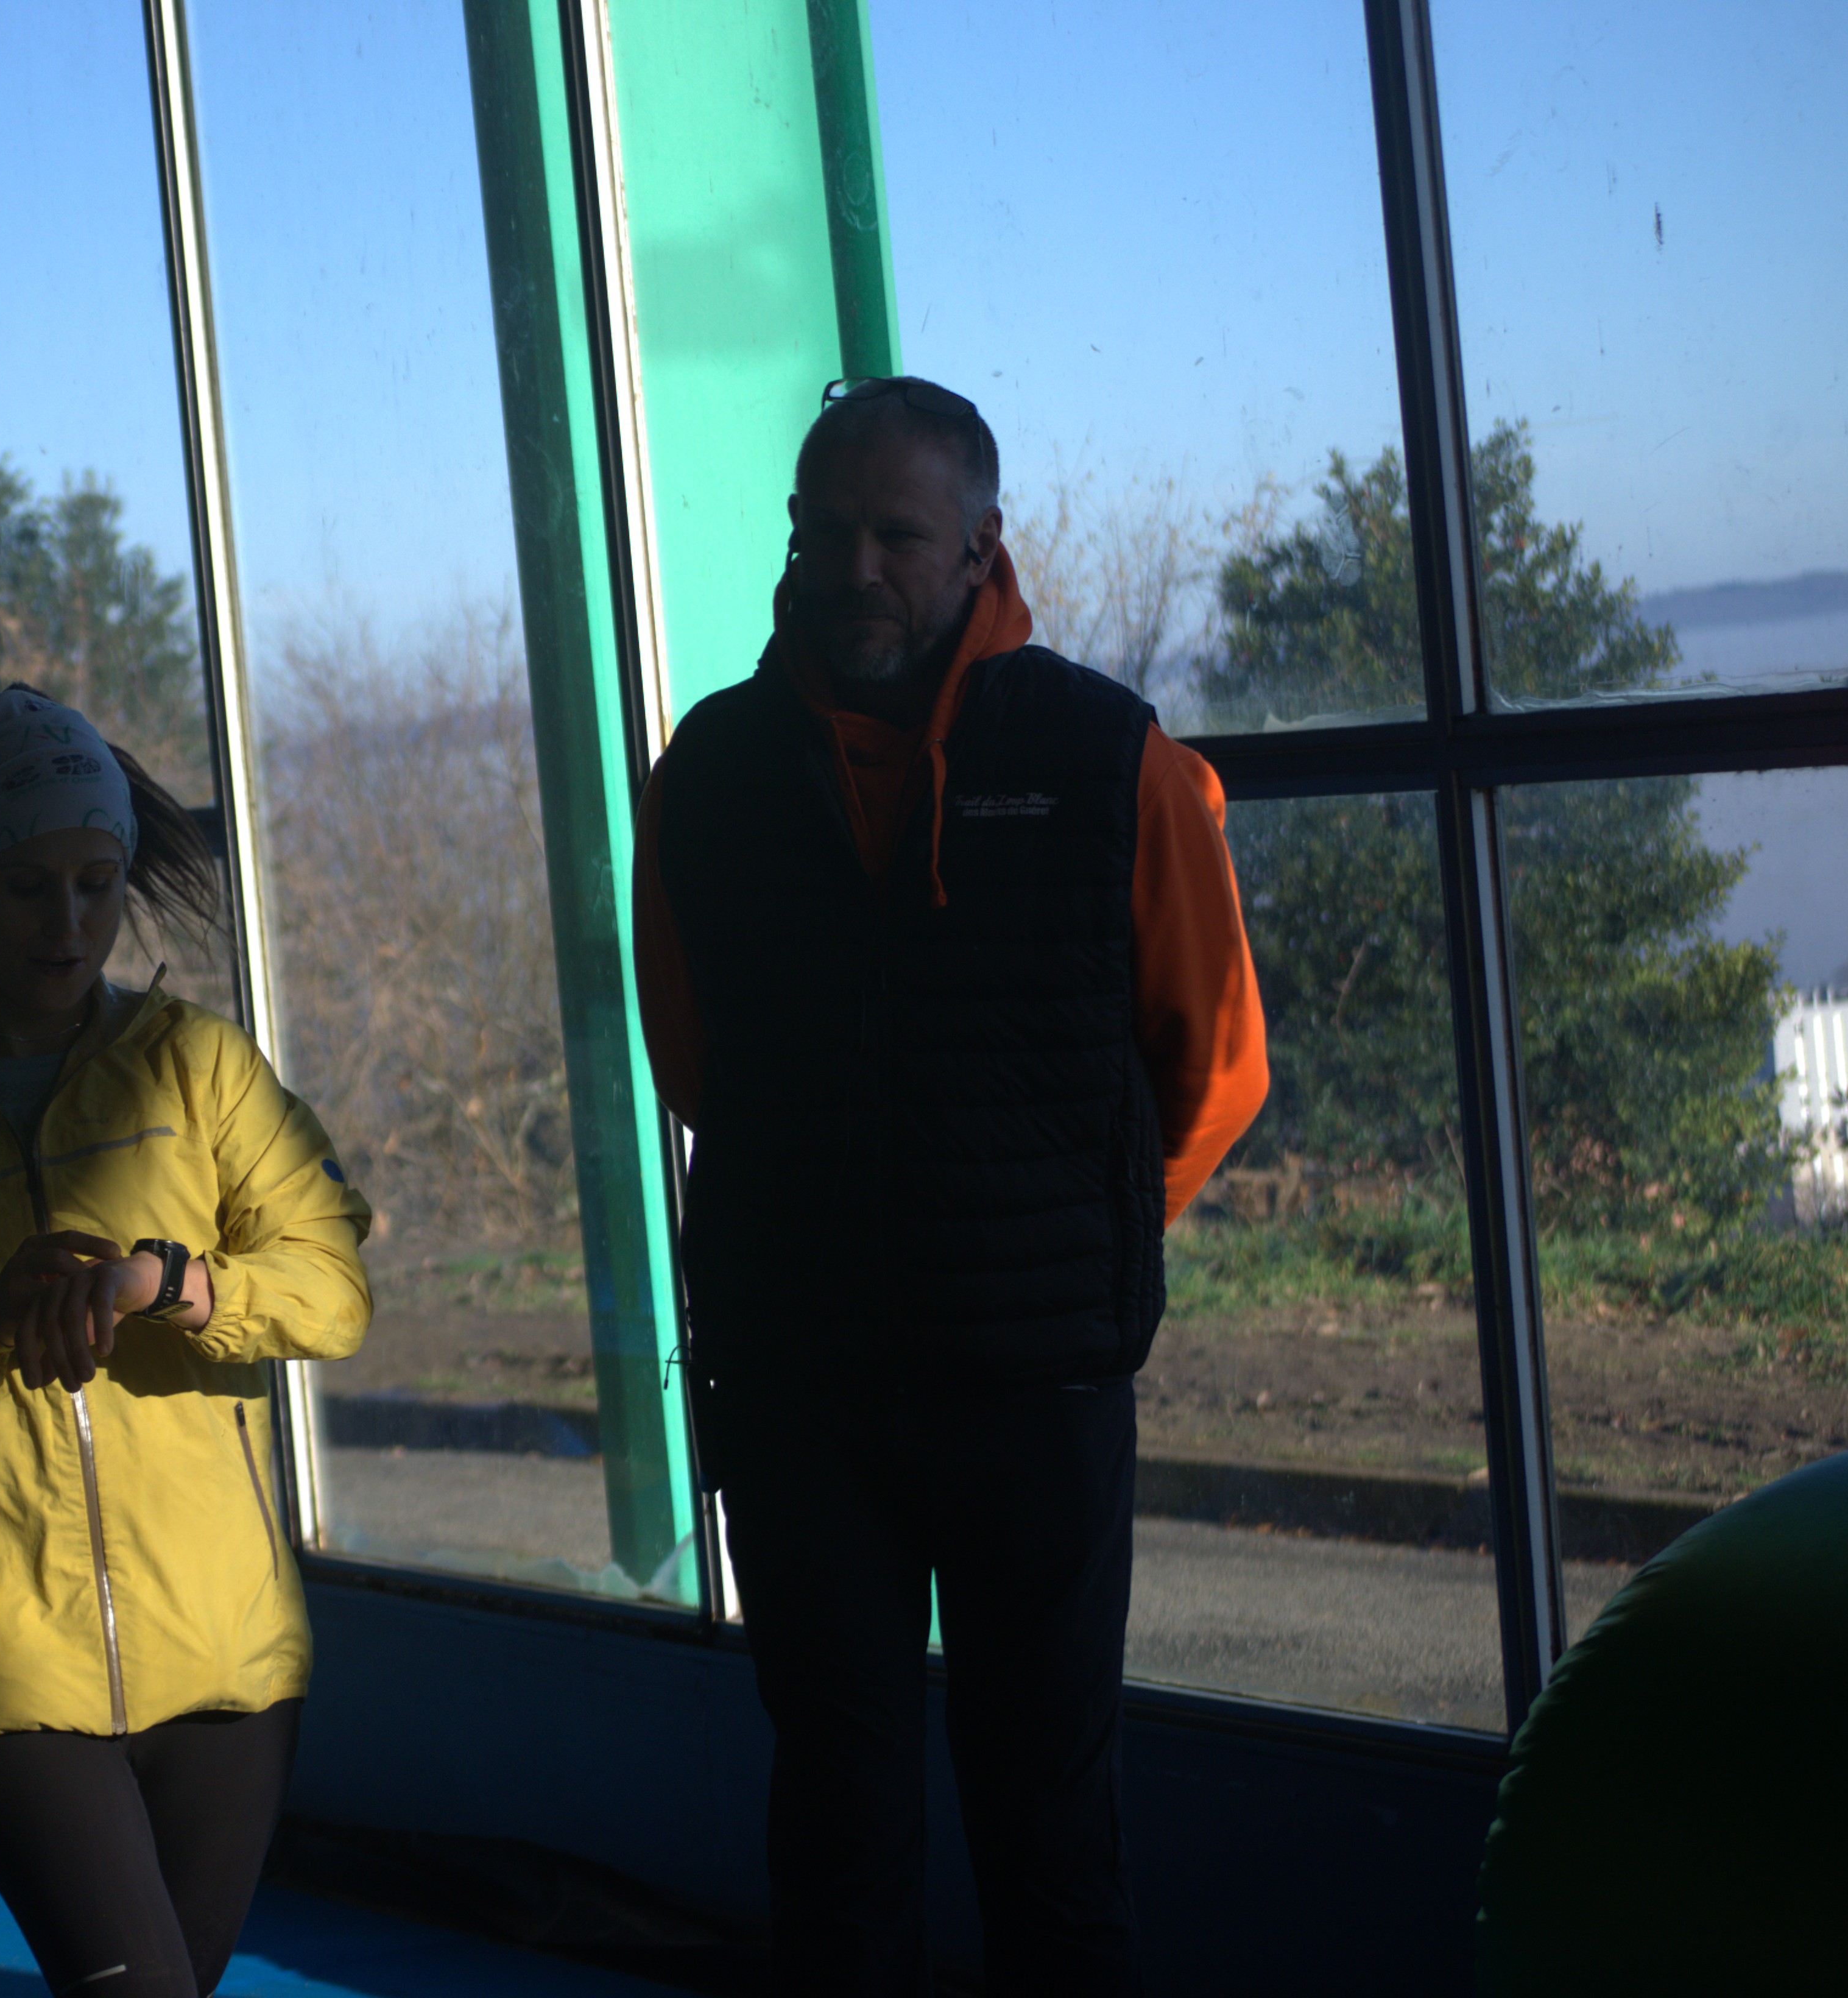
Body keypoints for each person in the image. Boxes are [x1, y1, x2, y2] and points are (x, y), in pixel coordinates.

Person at [633, 377, 1268, 1994]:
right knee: (835, 1831)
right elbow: (694, 1059)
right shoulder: (706, 773)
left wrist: (1060, 1237)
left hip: (1032, 1396)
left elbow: (1215, 1066)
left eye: (896, 536)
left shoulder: (1108, 757)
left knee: (1047, 1826)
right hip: (802, 1397)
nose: (853, 568)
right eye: (823, 532)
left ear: (980, 545)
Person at [0, 685, 372, 1998]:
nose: (70, 923)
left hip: (231, 1660)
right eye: (29, 887)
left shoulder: (196, 1066)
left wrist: (173, 1284)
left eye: (97, 884)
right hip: (14, 1671)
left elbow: (333, 1289)